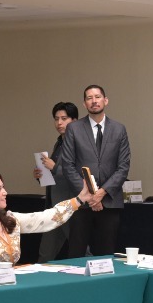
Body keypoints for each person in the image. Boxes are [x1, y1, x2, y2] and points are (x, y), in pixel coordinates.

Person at [52, 84, 130, 257]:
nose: (94, 101)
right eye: (89, 98)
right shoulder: (74, 128)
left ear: (105, 100)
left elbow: (123, 167)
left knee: (106, 255)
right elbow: (68, 165)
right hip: (82, 202)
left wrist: (101, 193)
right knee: (77, 253)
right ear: (84, 104)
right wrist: (89, 196)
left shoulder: (119, 129)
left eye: (97, 97)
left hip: (109, 202)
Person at [0, 169, 92, 270]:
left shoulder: (10, 220)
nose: (5, 192)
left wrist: (79, 199)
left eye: (3, 187)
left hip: (11, 284)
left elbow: (47, 218)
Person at [35, 102, 83, 261]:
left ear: (74, 121)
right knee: (45, 252)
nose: (59, 123)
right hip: (54, 205)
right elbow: (56, 174)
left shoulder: (80, 143)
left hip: (70, 205)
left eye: (64, 118)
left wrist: (54, 168)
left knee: (80, 249)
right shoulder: (59, 143)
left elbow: (79, 173)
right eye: (56, 119)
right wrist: (41, 175)